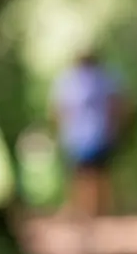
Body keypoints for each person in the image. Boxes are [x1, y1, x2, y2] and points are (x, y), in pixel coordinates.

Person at [49, 50, 131, 224]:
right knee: (93, 174)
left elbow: (58, 111)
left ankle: (94, 212)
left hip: (87, 136)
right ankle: (93, 212)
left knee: (89, 174)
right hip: (90, 135)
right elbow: (119, 104)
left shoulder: (72, 80)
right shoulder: (103, 77)